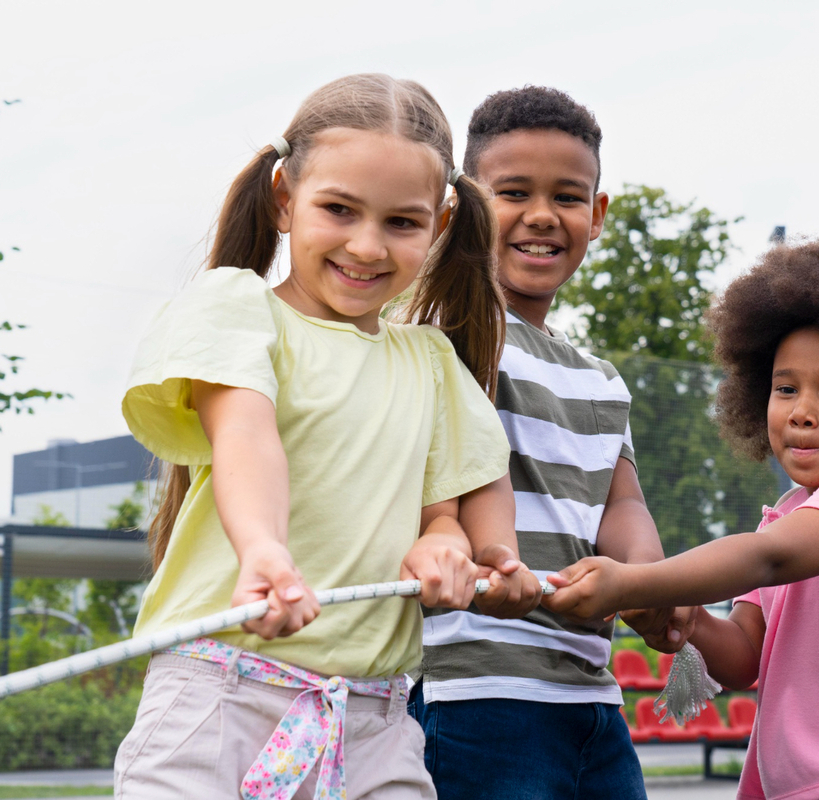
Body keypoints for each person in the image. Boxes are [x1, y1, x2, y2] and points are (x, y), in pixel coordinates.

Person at [114, 74, 525, 800]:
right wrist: (265, 551)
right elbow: (247, 434)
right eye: (338, 209)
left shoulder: (430, 363)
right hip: (219, 698)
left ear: (440, 221)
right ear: (283, 198)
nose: (367, 246)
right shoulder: (239, 309)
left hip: (374, 722)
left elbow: (465, 496)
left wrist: (461, 548)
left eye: (402, 222)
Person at [545, 221, 819, 800]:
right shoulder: (788, 512)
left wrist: (633, 579)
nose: (801, 412)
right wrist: (683, 618)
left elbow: (769, 559)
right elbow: (743, 658)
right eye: (785, 389)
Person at [409, 86, 667, 800]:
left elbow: (622, 506)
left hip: (589, 697)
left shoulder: (601, 378)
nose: (543, 216)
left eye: (569, 197)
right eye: (513, 193)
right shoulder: (440, 330)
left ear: (598, 214)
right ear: (460, 208)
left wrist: (648, 582)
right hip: (474, 691)